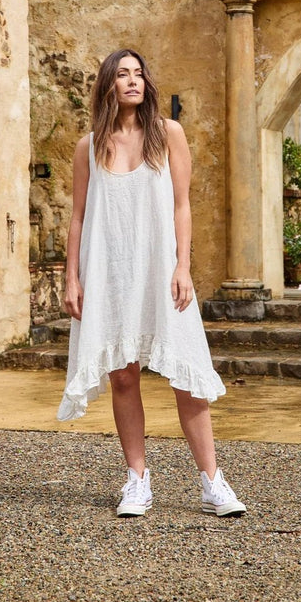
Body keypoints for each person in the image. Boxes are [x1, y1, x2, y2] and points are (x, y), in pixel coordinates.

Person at [57, 48, 246, 519]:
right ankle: (137, 481)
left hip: (161, 271)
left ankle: (212, 482)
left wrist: (183, 266)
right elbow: (78, 218)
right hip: (109, 272)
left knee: (186, 375)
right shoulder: (90, 146)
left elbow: (183, 205)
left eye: (138, 74)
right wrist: (71, 277)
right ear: (108, 86)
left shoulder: (168, 134)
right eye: (122, 75)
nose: (133, 81)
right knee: (123, 375)